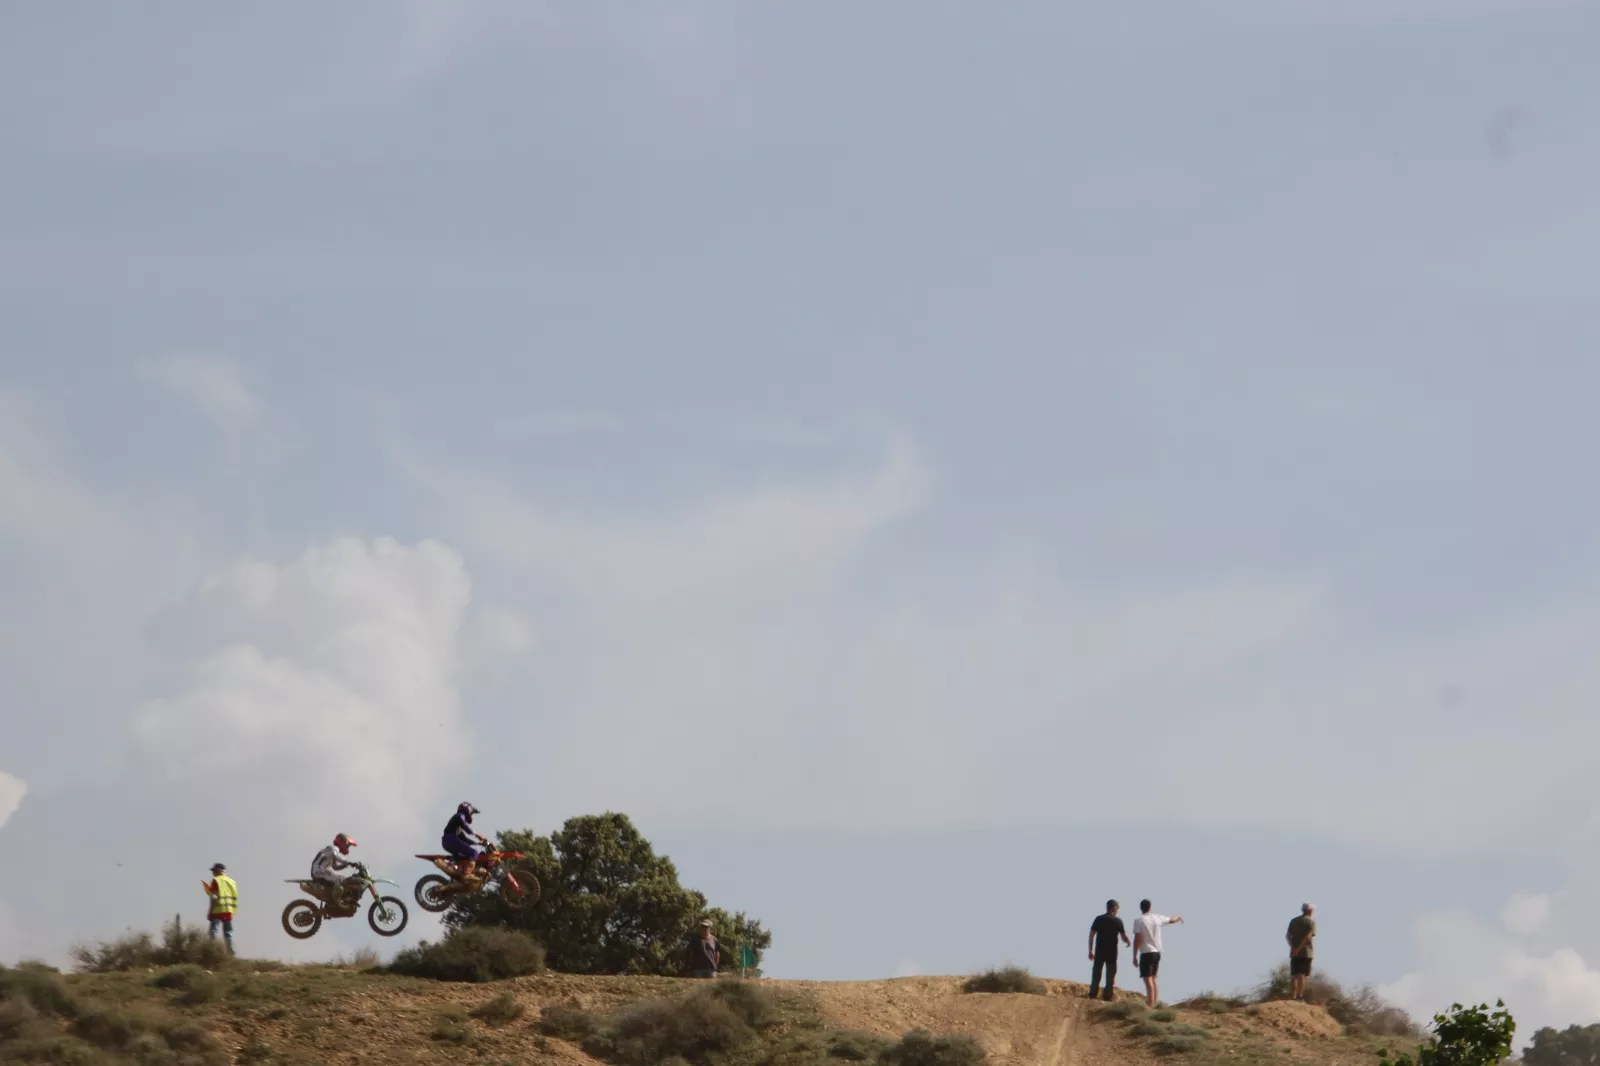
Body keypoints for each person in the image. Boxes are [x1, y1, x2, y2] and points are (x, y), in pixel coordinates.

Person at [1131, 899, 1183, 1007]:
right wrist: (1178, 916)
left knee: (1147, 978)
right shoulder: (1157, 918)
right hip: (1157, 952)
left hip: (1146, 952)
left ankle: (1150, 1003)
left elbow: (1137, 939)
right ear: (1150, 907)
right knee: (1154, 978)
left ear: (1141, 908)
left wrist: (1134, 955)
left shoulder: (1139, 921)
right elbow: (1172, 920)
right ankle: (1155, 1002)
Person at [1087, 899, 1131, 1001]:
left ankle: (1093, 994)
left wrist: (1090, 950)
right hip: (1112, 952)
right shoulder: (1117, 921)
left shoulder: (1099, 919)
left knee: (1096, 973)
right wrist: (1128, 941)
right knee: (1110, 975)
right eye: (1117, 909)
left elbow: (1091, 935)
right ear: (1114, 909)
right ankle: (1107, 996)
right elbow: (1123, 936)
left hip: (1099, 951)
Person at [442, 802, 488, 882]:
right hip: (451, 840)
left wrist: (478, 843)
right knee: (474, 853)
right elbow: (464, 825)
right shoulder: (460, 816)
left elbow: (464, 839)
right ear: (467, 809)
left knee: (465, 858)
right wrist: (476, 834)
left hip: (447, 841)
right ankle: (467, 874)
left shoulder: (457, 826)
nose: (471, 815)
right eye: (472, 813)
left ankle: (459, 876)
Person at [311, 833, 359, 906]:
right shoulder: (334, 848)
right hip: (319, 871)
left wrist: (345, 865)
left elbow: (335, 867)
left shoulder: (331, 850)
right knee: (340, 878)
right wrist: (348, 862)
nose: (348, 847)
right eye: (348, 845)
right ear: (343, 843)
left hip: (320, 870)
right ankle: (336, 901)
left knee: (341, 878)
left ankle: (331, 900)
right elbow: (336, 856)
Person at [202, 863, 238, 955]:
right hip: (229, 910)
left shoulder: (216, 880)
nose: (213, 873)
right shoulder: (232, 881)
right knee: (228, 932)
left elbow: (214, 896)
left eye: (214, 871)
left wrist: (210, 911)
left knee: (213, 931)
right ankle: (229, 950)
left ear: (219, 870)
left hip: (217, 910)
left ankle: (212, 950)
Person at [1287, 903, 1316, 1000]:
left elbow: (1287, 936)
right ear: (1310, 911)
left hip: (1294, 952)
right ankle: (1299, 996)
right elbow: (1308, 937)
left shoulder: (1293, 921)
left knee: (1294, 974)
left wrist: (1293, 948)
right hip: (1306, 952)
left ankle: (1292, 996)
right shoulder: (1310, 922)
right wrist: (1299, 949)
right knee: (1302, 974)